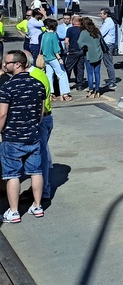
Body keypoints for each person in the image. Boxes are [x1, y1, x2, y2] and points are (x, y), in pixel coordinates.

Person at [0, 50, 47, 223]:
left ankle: (13, 212)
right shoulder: (38, 84)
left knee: (12, 174)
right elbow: (41, 112)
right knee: (36, 171)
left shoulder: (7, 87)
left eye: (8, 62)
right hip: (33, 136)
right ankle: (37, 206)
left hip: (12, 138)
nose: (5, 64)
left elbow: (2, 115)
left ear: (18, 64)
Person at [24, 50, 54, 201]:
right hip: (44, 119)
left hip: (40, 120)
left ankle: (43, 191)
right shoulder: (37, 72)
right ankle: (39, 189)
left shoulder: (33, 77)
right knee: (40, 155)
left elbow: (37, 104)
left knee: (40, 157)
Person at [40, 18, 72, 101]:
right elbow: (56, 49)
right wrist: (60, 58)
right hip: (53, 58)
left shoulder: (44, 35)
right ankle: (64, 93)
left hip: (46, 58)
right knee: (62, 74)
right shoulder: (53, 35)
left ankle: (50, 93)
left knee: (49, 75)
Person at [77, 17, 103, 98]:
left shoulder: (84, 32)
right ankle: (97, 90)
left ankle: (91, 90)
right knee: (97, 73)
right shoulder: (97, 31)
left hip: (89, 54)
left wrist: (84, 46)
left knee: (90, 73)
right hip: (98, 53)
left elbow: (79, 42)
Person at [64, 15, 86, 90]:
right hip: (81, 50)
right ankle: (79, 84)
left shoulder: (70, 30)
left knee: (68, 67)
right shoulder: (83, 30)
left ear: (73, 21)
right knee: (80, 68)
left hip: (72, 50)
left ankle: (65, 83)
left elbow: (66, 41)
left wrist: (67, 50)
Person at [99, 8, 117, 89]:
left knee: (109, 63)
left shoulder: (108, 22)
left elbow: (101, 33)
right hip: (107, 44)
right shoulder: (106, 21)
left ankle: (112, 81)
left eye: (101, 13)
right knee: (107, 63)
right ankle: (111, 80)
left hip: (108, 45)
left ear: (106, 14)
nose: (100, 15)